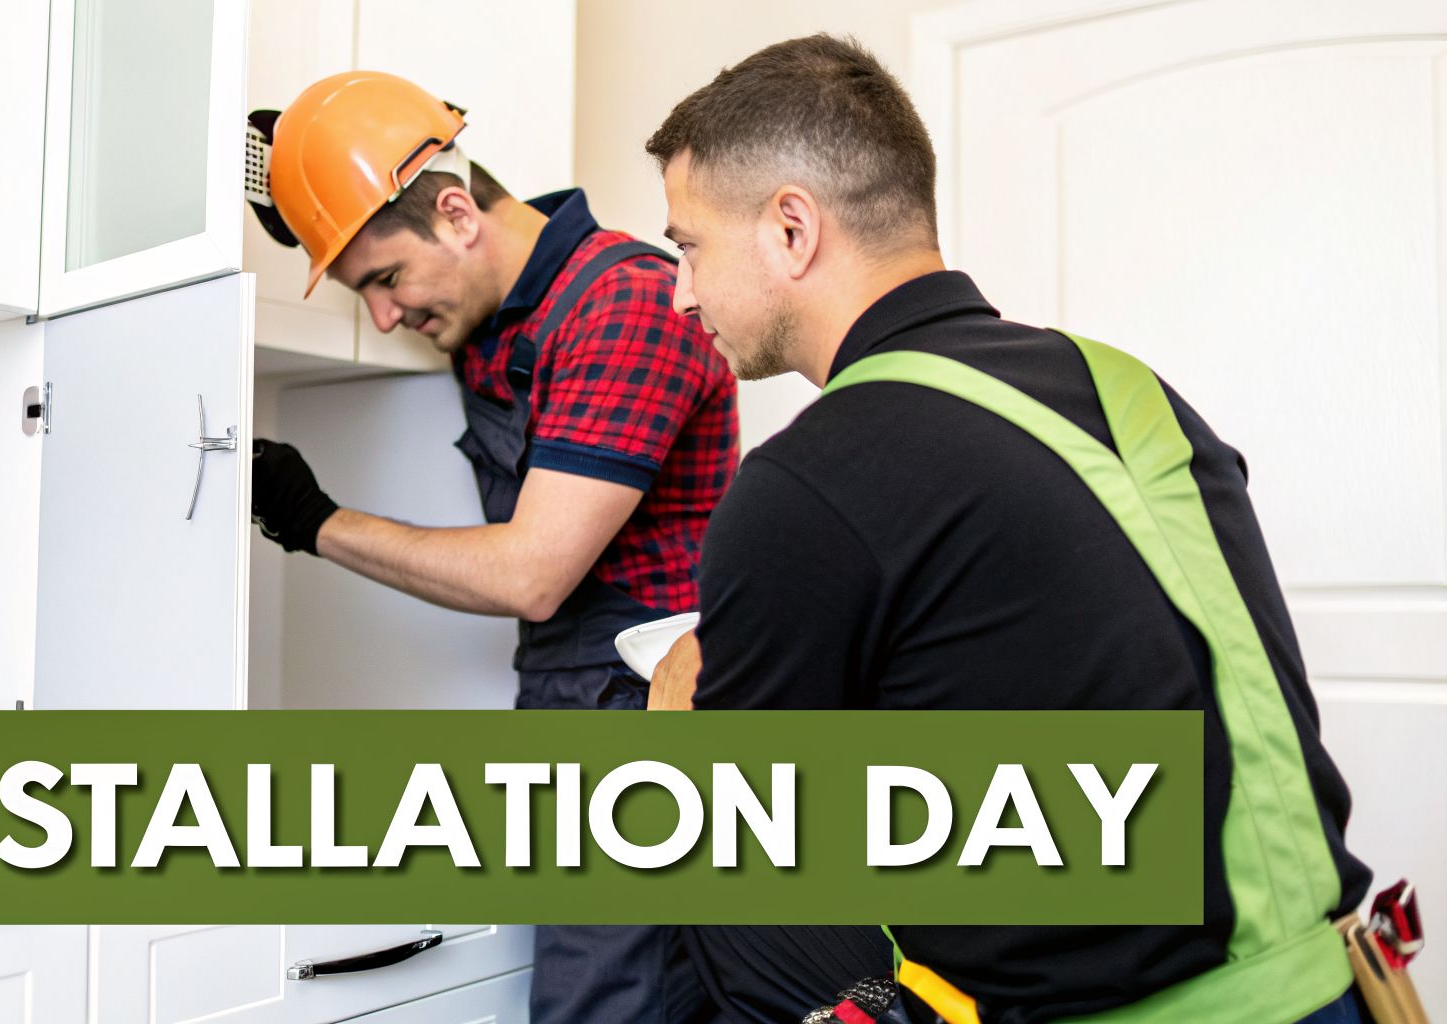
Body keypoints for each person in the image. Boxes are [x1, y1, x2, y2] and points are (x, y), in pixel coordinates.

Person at [645, 34, 1373, 1024]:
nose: (679, 291)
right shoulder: (1126, 389)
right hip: (1328, 987)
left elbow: (762, 875)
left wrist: (682, 728)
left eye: (686, 245)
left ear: (789, 228)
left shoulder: (803, 485)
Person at [245, 71, 739, 1024]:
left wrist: (315, 521)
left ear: (460, 215)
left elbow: (532, 573)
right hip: (565, 710)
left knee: (607, 1009)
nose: (383, 317)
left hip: (651, 718)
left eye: (385, 281)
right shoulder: (491, 311)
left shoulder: (625, 308)